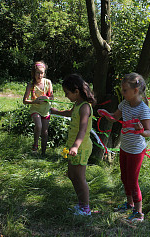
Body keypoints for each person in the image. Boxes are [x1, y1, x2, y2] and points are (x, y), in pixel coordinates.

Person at [99, 72, 150, 223]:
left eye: (125, 90)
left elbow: (147, 132)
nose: (122, 93)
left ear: (135, 91)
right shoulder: (124, 104)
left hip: (136, 150)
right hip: (125, 147)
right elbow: (115, 117)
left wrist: (141, 130)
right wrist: (106, 114)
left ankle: (139, 213)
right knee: (124, 177)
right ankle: (129, 204)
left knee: (133, 181)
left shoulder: (143, 109)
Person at [51, 74, 96, 216]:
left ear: (76, 91)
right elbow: (70, 113)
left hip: (80, 147)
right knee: (71, 174)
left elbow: (82, 130)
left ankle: (85, 208)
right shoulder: (77, 104)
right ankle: (81, 204)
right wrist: (56, 112)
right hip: (73, 146)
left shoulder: (85, 108)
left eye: (67, 93)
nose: (66, 96)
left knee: (79, 178)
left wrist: (75, 146)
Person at [23, 61, 54, 155]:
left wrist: (47, 98)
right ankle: (35, 145)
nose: (40, 75)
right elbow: (24, 100)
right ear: (33, 73)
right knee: (39, 126)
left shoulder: (48, 82)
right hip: (35, 109)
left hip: (45, 110)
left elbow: (52, 97)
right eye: (37, 73)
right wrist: (34, 101)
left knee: (45, 132)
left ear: (44, 73)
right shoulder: (31, 84)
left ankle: (43, 152)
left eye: (42, 73)